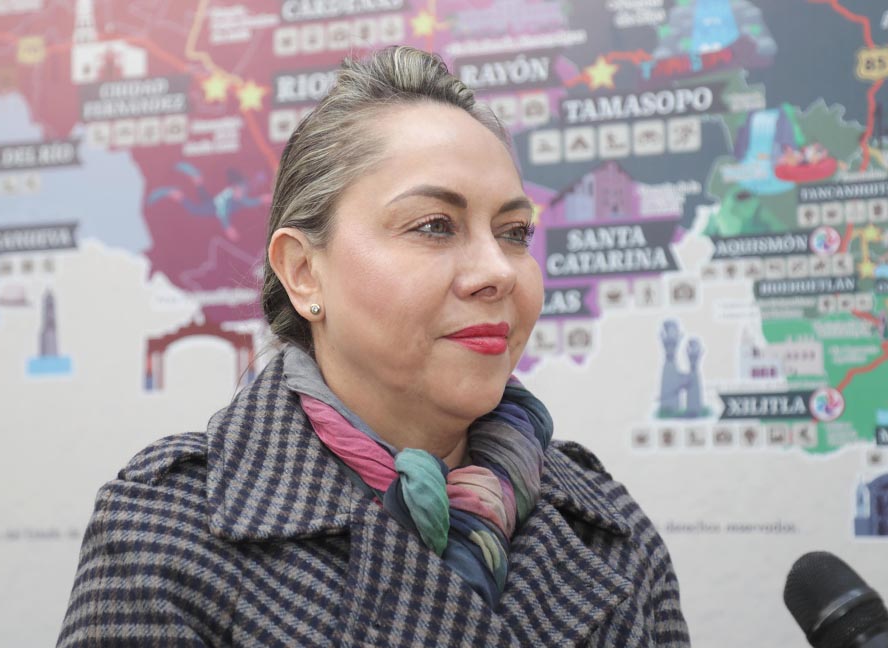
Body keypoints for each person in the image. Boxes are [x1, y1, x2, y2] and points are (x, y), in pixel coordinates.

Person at [58, 46, 690, 647]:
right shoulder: (166, 532)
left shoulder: (609, 528)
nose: (498, 271)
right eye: (434, 226)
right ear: (304, 272)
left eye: (515, 232)